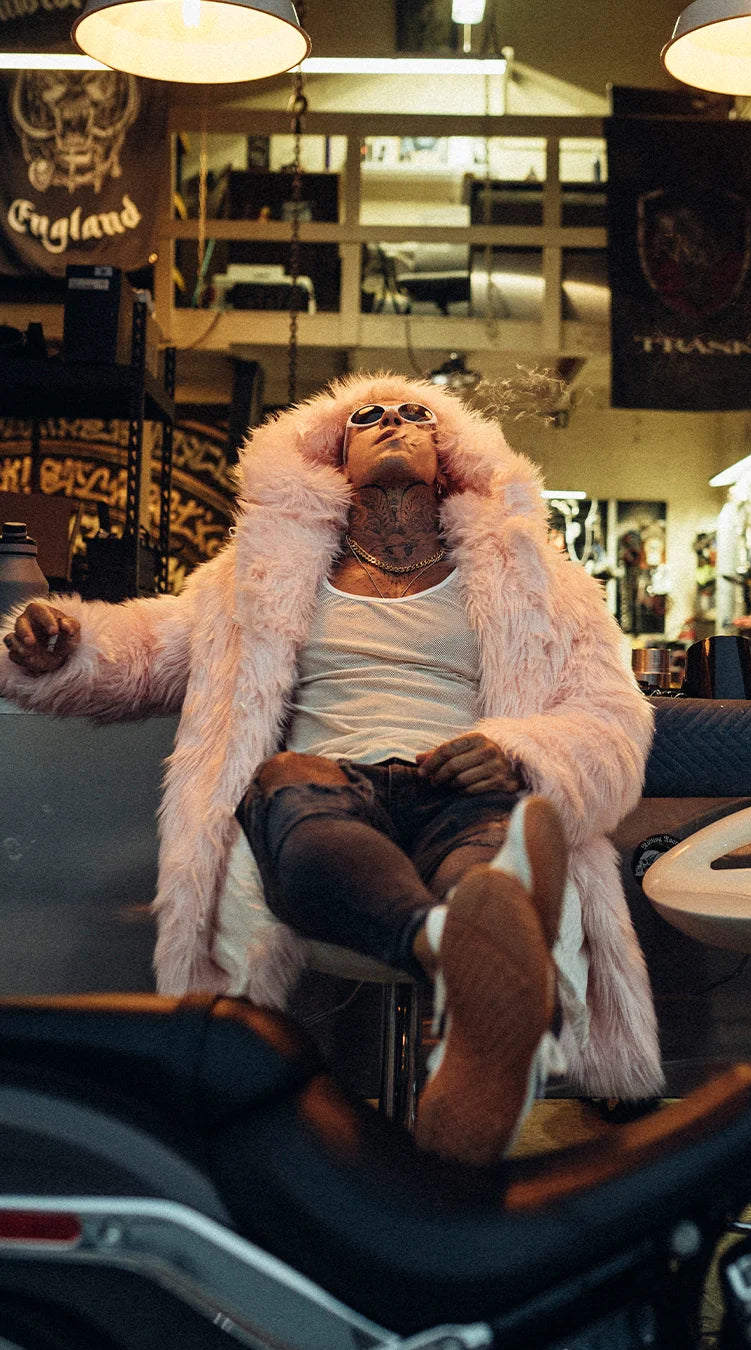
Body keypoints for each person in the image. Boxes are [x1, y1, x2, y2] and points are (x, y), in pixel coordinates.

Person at [1, 372, 663, 1165]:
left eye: (415, 414)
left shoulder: (539, 582)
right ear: (334, 455)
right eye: (368, 416)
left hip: (459, 790)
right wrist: (67, 646)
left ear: (446, 452)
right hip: (325, 791)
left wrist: (521, 750)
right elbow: (149, 650)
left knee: (495, 863)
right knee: (284, 790)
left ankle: (477, 981)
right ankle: (466, 962)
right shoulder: (259, 576)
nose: (392, 420)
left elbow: (613, 718)